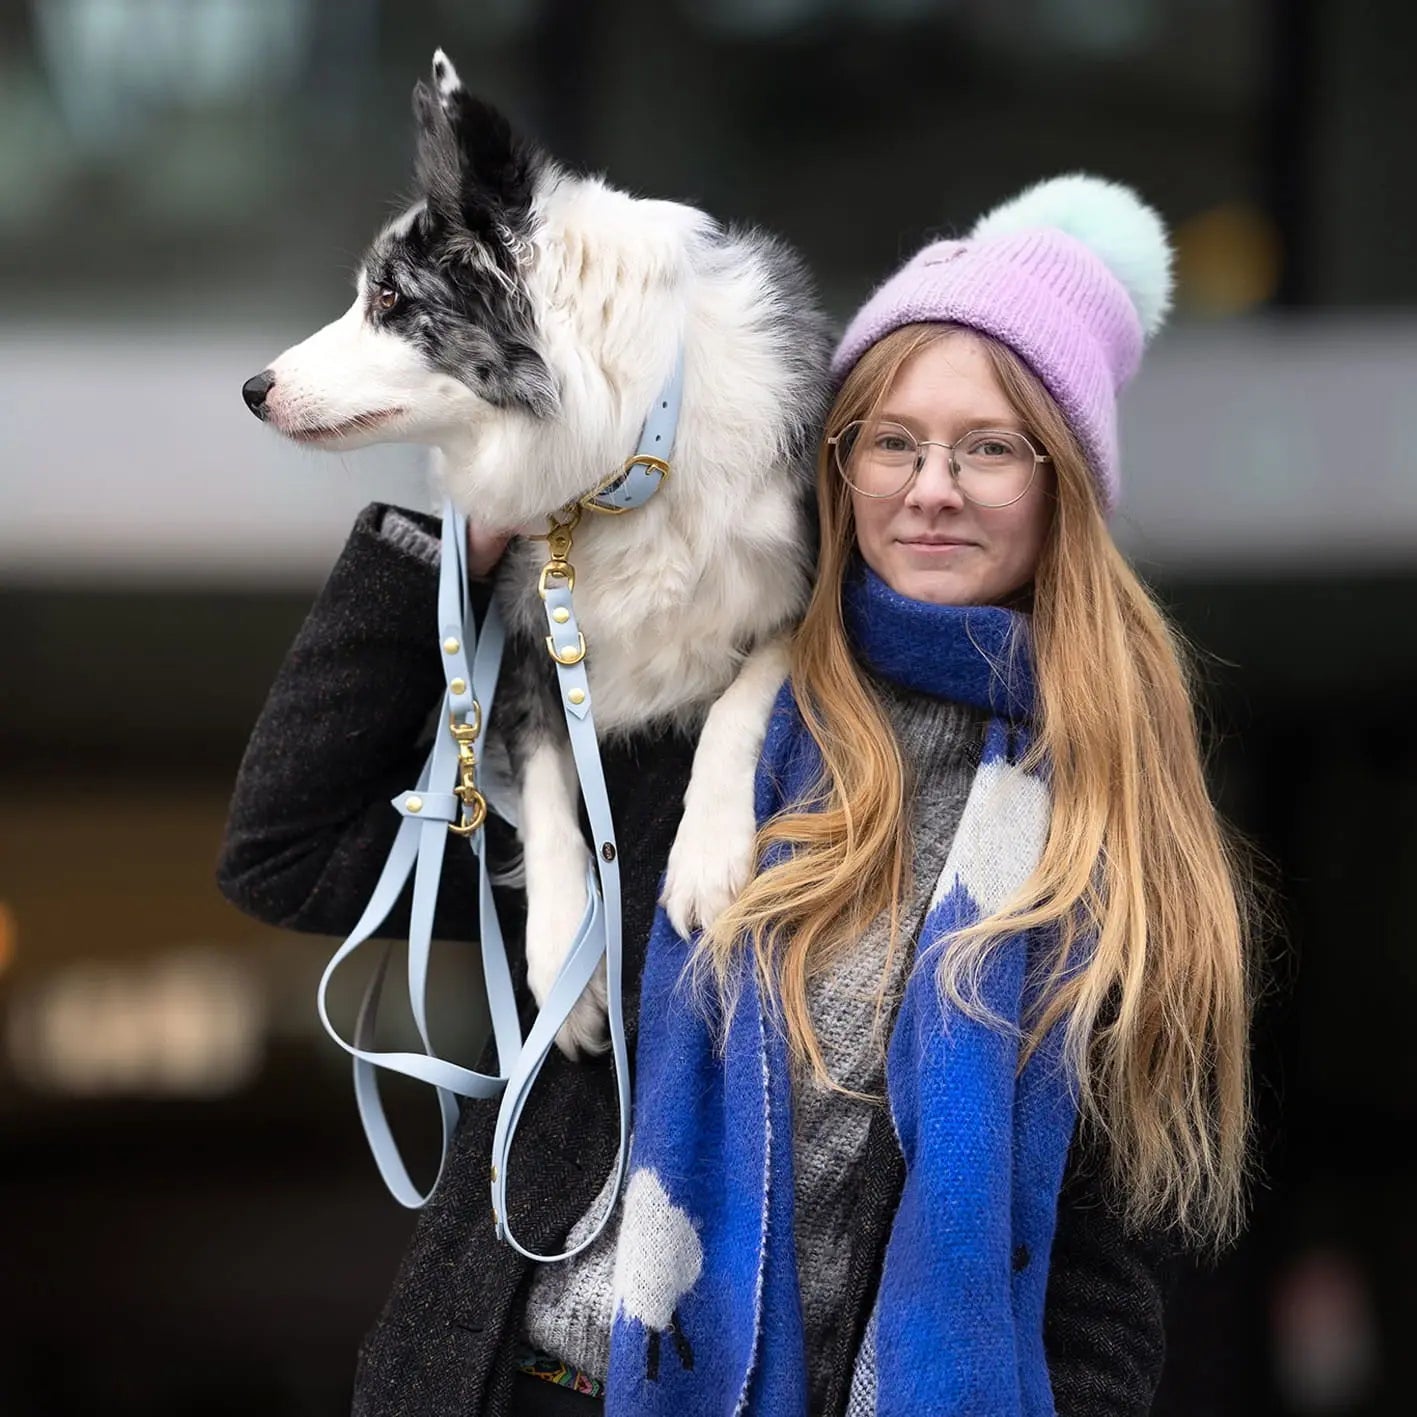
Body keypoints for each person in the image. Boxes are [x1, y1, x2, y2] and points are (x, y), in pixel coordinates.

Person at [218, 173, 1250, 1415]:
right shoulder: (683, 734)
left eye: (989, 447)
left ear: (1061, 487)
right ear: (836, 463)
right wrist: (474, 537)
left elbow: (1098, 1287)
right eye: (892, 442)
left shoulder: (1112, 838)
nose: (932, 486)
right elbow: (288, 848)